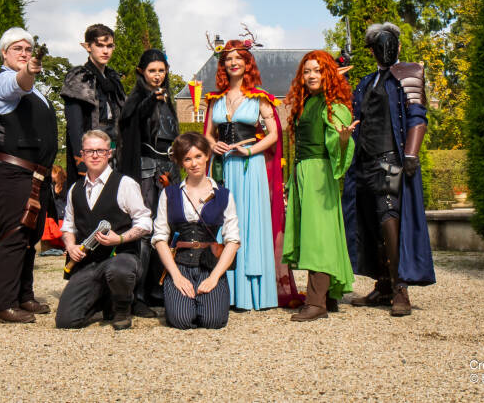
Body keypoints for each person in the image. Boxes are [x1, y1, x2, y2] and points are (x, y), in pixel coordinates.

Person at [343, 22, 435, 317]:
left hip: (388, 161)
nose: (384, 48)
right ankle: (383, 284)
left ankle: (399, 288)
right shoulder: (366, 82)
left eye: (389, 41)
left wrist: (411, 153)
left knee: (388, 218)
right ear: (371, 51)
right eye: (378, 44)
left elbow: (417, 116)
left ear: (398, 45)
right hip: (364, 162)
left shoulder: (409, 74)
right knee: (369, 222)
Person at [203, 39, 302, 310]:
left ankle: (254, 292)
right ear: (223, 65)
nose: (233, 62)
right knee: (224, 223)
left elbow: (274, 134)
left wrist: (249, 151)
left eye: (239, 58)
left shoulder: (260, 98)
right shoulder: (214, 100)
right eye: (229, 58)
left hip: (250, 167)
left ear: (248, 64)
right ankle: (226, 290)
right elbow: (208, 135)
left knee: (250, 222)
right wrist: (214, 145)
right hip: (224, 167)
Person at [0, 27, 58, 323]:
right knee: (14, 233)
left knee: (31, 234)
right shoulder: (4, 81)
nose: (24, 54)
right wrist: (28, 70)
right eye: (17, 49)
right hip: (10, 171)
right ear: (4, 53)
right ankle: (5, 304)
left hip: (34, 174)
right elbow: (20, 82)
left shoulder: (36, 90)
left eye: (28, 49)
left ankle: (24, 296)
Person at [282, 51, 358, 321]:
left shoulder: (334, 106)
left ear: (328, 74)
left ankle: (316, 303)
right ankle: (328, 296)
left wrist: (343, 140)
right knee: (315, 233)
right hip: (303, 172)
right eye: (307, 71)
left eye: (317, 70)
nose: (311, 75)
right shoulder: (307, 103)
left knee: (319, 236)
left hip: (319, 174)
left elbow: (337, 146)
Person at [55, 130, 153, 330]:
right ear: (82, 155)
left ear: (109, 154)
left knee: (119, 270)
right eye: (89, 151)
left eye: (100, 150)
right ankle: (105, 299)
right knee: (66, 321)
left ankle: (122, 308)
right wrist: (71, 246)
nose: (95, 155)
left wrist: (121, 239)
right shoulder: (75, 189)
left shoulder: (125, 184)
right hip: (89, 263)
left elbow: (145, 222)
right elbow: (68, 226)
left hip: (121, 257)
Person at [152, 132, 239, 329]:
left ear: (207, 155)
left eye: (198, 156)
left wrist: (214, 277)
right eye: (187, 159)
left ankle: (210, 296)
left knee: (213, 321)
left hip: (210, 265)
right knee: (182, 320)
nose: (194, 163)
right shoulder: (169, 193)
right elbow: (160, 239)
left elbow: (233, 241)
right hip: (180, 264)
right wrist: (176, 276)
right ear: (181, 162)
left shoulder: (224, 195)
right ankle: (179, 299)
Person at [118, 49, 180, 316]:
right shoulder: (137, 98)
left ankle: (157, 288)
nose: (157, 75)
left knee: (165, 228)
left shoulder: (168, 99)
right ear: (142, 72)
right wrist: (149, 101)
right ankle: (138, 294)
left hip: (169, 168)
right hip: (145, 170)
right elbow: (130, 121)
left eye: (161, 71)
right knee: (144, 229)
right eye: (152, 71)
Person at [60, 24, 125, 189]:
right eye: (100, 45)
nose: (105, 51)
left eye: (109, 46)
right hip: (90, 155)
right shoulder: (79, 78)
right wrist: (82, 161)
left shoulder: (113, 79)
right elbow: (75, 127)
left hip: (114, 155)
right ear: (88, 47)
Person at [40, 164, 67, 257]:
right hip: (55, 212)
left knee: (62, 230)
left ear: (56, 173)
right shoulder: (51, 185)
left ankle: (66, 248)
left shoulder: (65, 184)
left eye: (51, 172)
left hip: (63, 212)